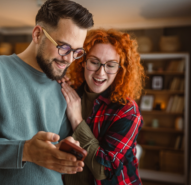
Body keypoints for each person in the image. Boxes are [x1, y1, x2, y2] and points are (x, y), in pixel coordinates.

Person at [0, 0, 93, 185]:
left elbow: (56, 149)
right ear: (37, 34)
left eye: (77, 52)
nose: (69, 59)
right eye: (63, 47)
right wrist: (25, 151)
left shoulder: (63, 88)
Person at [60, 28, 145, 185]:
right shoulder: (69, 94)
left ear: (120, 69)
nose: (101, 72)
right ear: (83, 62)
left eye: (111, 65)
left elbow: (103, 170)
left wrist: (77, 119)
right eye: (94, 62)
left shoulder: (127, 111)